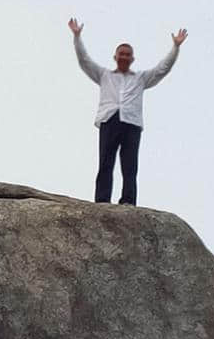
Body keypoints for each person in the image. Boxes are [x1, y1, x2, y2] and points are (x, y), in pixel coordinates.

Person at [68, 17, 188, 206]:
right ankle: (102, 200)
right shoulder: (104, 75)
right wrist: (77, 36)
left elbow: (162, 69)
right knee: (106, 162)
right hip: (110, 119)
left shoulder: (140, 78)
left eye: (127, 54)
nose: (124, 56)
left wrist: (175, 47)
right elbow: (84, 61)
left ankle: (128, 201)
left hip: (131, 123)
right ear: (115, 57)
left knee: (130, 166)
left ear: (132, 59)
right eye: (121, 54)